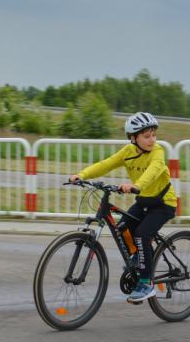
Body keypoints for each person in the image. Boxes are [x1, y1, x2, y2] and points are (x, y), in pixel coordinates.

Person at [68, 112, 177, 303]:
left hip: (163, 204)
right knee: (122, 228)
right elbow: (106, 164)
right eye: (147, 136)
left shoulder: (158, 151)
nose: (152, 139)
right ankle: (141, 257)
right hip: (143, 202)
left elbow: (153, 171)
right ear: (133, 138)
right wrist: (82, 175)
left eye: (153, 135)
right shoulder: (128, 152)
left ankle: (146, 283)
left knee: (142, 234)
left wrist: (136, 185)